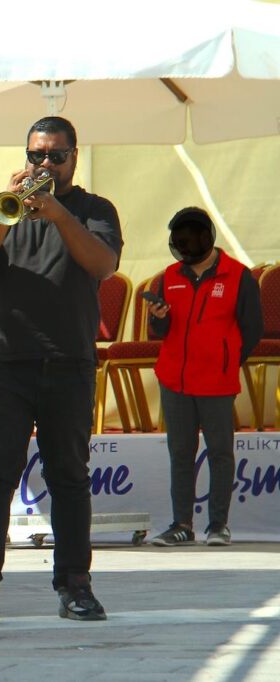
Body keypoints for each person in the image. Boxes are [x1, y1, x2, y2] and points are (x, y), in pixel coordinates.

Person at [0, 116, 122, 627]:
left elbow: (102, 265)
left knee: (69, 476)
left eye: (54, 155)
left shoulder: (94, 209)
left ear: (75, 155)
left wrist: (56, 215)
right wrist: (6, 215)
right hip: (4, 361)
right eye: (35, 156)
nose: (44, 164)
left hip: (67, 359)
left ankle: (75, 584)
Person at [147, 207, 262, 548]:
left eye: (192, 237)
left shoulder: (238, 276)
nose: (186, 244)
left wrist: (226, 360)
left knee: (220, 452)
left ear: (207, 237)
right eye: (180, 240)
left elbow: (252, 329)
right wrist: (158, 317)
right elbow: (160, 332)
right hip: (175, 379)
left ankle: (218, 525)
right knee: (180, 452)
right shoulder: (167, 277)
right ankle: (181, 524)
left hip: (216, 381)